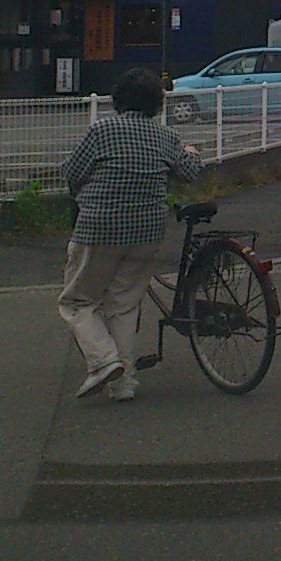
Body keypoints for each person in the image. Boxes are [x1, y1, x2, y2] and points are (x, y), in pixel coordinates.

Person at [59, 67, 201, 402]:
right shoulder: (165, 136)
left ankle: (103, 361)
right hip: (147, 232)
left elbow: (72, 173)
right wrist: (193, 154)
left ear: (117, 100)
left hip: (99, 229)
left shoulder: (101, 131)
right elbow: (189, 173)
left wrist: (83, 196)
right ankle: (122, 384)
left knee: (78, 301)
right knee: (123, 306)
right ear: (157, 104)